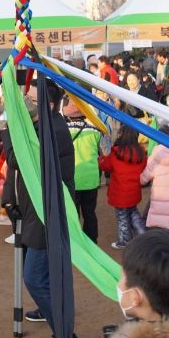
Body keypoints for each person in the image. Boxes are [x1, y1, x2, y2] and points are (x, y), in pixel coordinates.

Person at [1, 87, 78, 338]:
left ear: (49, 103)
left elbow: (17, 159)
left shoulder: (51, 131)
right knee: (36, 271)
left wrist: (11, 125)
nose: (26, 103)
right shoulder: (42, 126)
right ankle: (49, 311)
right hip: (37, 210)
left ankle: (65, 336)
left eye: (31, 100)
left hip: (49, 214)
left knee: (34, 277)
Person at [64, 98, 109, 243]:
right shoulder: (95, 130)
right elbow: (102, 151)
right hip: (91, 178)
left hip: (72, 177)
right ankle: (92, 241)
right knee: (90, 212)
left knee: (73, 212)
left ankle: (75, 241)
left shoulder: (64, 129)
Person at [98, 126, 147, 250]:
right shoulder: (141, 152)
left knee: (122, 217)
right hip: (134, 191)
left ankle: (124, 240)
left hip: (119, 192)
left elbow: (107, 166)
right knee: (133, 213)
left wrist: (101, 159)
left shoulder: (116, 152)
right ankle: (142, 235)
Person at [139, 124, 169, 231]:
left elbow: (147, 174)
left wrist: (140, 180)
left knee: (154, 226)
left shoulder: (158, 151)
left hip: (160, 196)